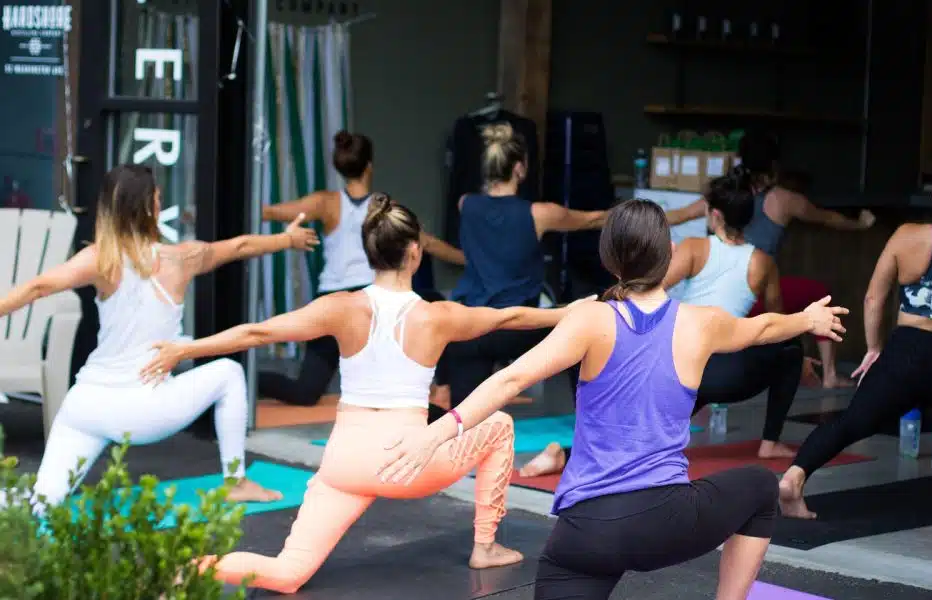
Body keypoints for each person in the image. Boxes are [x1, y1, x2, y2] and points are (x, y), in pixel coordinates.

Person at [377, 199, 847, 600]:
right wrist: (806, 320)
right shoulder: (700, 322)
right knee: (762, 489)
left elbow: (510, 380)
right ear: (668, 254)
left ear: (611, 261)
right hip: (665, 522)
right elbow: (763, 327)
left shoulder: (591, 320)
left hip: (584, 535)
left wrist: (432, 436)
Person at [141, 195, 592, 594]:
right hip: (411, 464)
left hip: (344, 464)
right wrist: (566, 313)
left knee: (287, 571)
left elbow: (258, 331)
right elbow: (508, 318)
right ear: (415, 252)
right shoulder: (438, 316)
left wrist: (186, 347)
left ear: (370, 251)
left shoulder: (340, 307)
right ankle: (485, 547)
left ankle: (188, 571)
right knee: (499, 424)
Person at [0, 164, 318, 510]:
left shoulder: (99, 259)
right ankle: (236, 481)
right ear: (152, 208)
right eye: (157, 198)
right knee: (228, 372)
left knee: (41, 504)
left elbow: (38, 286)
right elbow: (239, 246)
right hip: (143, 411)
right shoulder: (181, 259)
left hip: (85, 405)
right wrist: (288, 239)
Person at [779, 159, 932, 519]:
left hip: (904, 356)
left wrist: (875, 349)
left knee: (853, 421)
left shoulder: (905, 235)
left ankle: (795, 476)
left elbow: (873, 298)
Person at [439, 122, 607, 471]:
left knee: (464, 430)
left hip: (468, 331)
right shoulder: (539, 213)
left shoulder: (465, 203)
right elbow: (595, 220)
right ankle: (595, 431)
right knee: (586, 333)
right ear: (519, 168)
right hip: (515, 331)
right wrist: (674, 214)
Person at [258, 129, 464, 407]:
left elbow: (268, 211)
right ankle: (442, 388)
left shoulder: (324, 203)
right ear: (369, 166)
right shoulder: (383, 208)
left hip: (335, 303)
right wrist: (467, 259)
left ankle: (249, 380)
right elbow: (428, 243)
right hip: (369, 304)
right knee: (438, 307)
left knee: (305, 392)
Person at [665, 130, 875, 388]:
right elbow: (829, 218)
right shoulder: (784, 200)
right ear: (774, 165)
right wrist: (861, 224)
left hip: (726, 307)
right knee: (820, 295)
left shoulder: (723, 198)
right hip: (757, 296)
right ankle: (829, 374)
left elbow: (675, 216)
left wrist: (623, 220)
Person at [665, 166, 803, 458]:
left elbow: (646, 292)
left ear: (715, 215)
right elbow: (777, 323)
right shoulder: (763, 262)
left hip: (683, 373)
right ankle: (770, 443)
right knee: (792, 347)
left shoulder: (692, 248)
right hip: (730, 379)